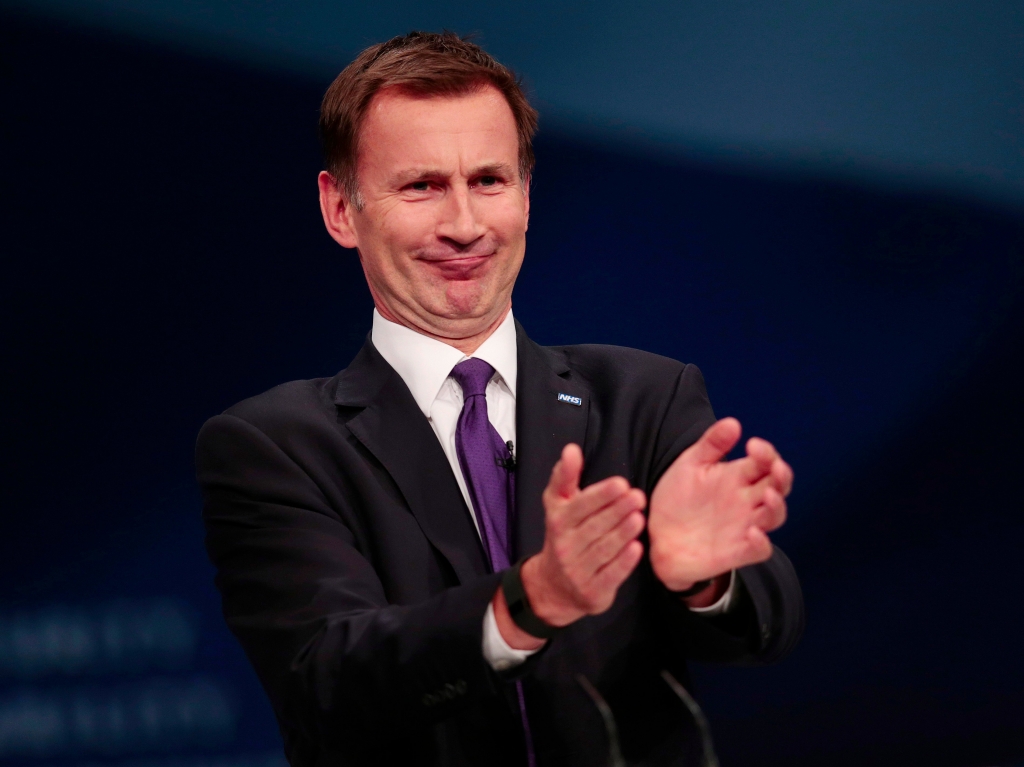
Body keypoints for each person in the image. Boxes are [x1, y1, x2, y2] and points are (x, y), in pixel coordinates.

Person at [196, 31, 804, 767]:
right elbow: (327, 681)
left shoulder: (644, 396)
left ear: (524, 193)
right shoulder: (274, 446)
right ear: (341, 210)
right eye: (421, 186)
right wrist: (530, 600)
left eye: (489, 180)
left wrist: (703, 576)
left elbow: (767, 625)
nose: (464, 224)